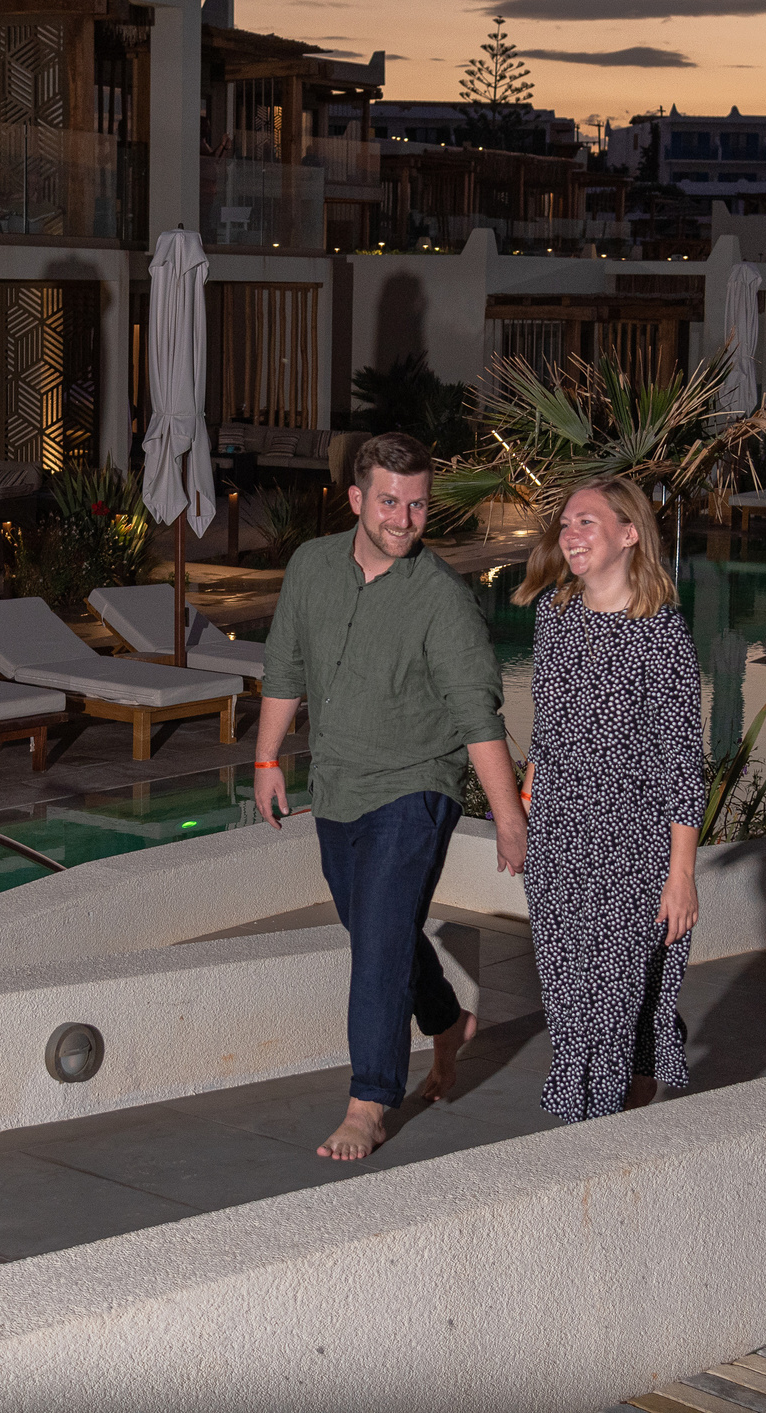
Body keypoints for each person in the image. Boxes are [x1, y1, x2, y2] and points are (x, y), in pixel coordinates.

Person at [254, 431, 525, 1161]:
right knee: (375, 923)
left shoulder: (442, 599)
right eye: (389, 502)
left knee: (376, 936)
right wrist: (267, 757)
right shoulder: (312, 566)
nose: (405, 518)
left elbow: (476, 715)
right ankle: (444, 1016)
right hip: (339, 783)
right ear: (355, 499)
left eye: (417, 504)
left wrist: (508, 818)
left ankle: (370, 1099)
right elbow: (285, 663)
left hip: (416, 784)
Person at [512, 475, 703, 1123]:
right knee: (568, 1005)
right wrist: (524, 812)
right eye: (566, 523)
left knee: (610, 1006)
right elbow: (546, 728)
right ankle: (594, 1110)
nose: (570, 533)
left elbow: (683, 765)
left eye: (586, 521)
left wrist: (680, 876)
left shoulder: (662, 637)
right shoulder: (553, 618)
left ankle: (594, 1131)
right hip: (558, 845)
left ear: (629, 533)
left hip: (632, 851)